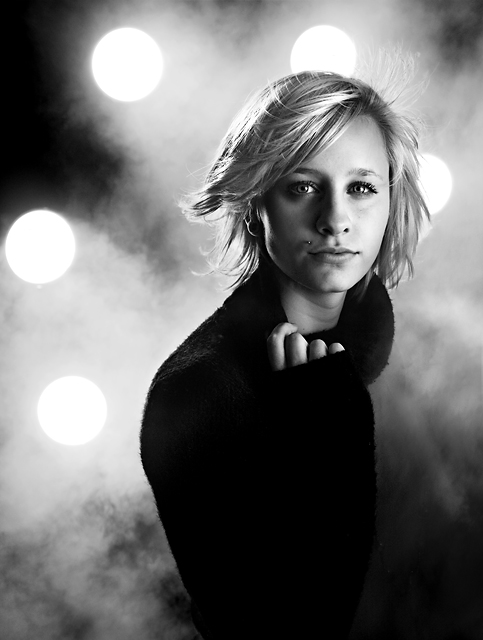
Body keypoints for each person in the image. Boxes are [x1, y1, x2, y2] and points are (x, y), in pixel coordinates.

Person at [140, 70, 429, 639]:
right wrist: (327, 430)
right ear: (256, 203)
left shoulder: (427, 359)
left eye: (362, 188)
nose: (335, 220)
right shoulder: (198, 393)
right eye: (302, 187)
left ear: (392, 201)